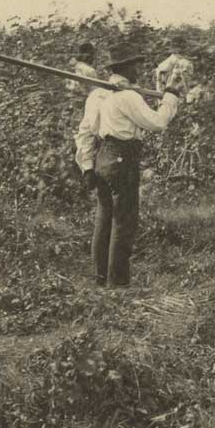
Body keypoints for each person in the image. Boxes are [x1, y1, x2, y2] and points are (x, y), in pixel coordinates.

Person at [74, 44, 186, 289]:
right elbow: (157, 124)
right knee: (124, 222)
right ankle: (118, 285)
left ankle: (101, 280)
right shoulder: (127, 96)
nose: (139, 69)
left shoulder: (102, 94)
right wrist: (170, 97)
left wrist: (87, 166)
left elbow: (86, 131)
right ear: (126, 68)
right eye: (135, 65)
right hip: (122, 160)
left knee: (104, 220)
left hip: (103, 158)